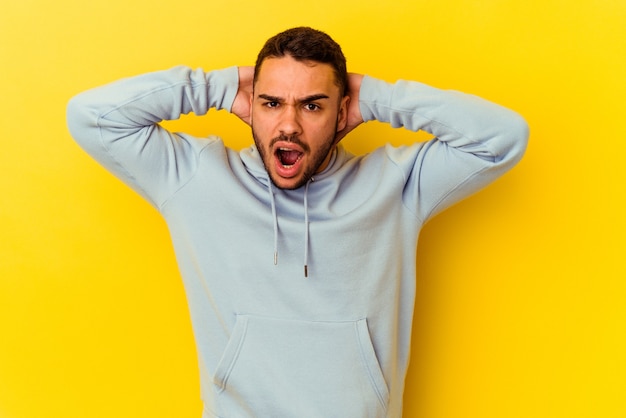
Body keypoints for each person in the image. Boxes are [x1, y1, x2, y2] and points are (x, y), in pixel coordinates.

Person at [67, 27, 528, 418]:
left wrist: (378, 98)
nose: (288, 125)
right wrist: (220, 86)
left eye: (311, 106)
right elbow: (90, 117)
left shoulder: (396, 185)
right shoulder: (195, 178)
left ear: (342, 110)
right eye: (270, 104)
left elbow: (505, 138)